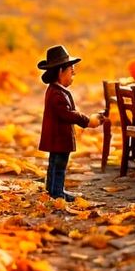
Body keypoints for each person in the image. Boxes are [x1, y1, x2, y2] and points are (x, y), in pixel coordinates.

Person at [37, 44, 99, 202]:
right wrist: (87, 121)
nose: (74, 73)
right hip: (59, 138)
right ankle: (57, 192)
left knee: (54, 164)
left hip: (57, 138)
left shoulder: (56, 91)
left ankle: (51, 189)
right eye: (71, 71)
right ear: (60, 72)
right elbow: (68, 114)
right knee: (59, 166)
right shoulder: (57, 94)